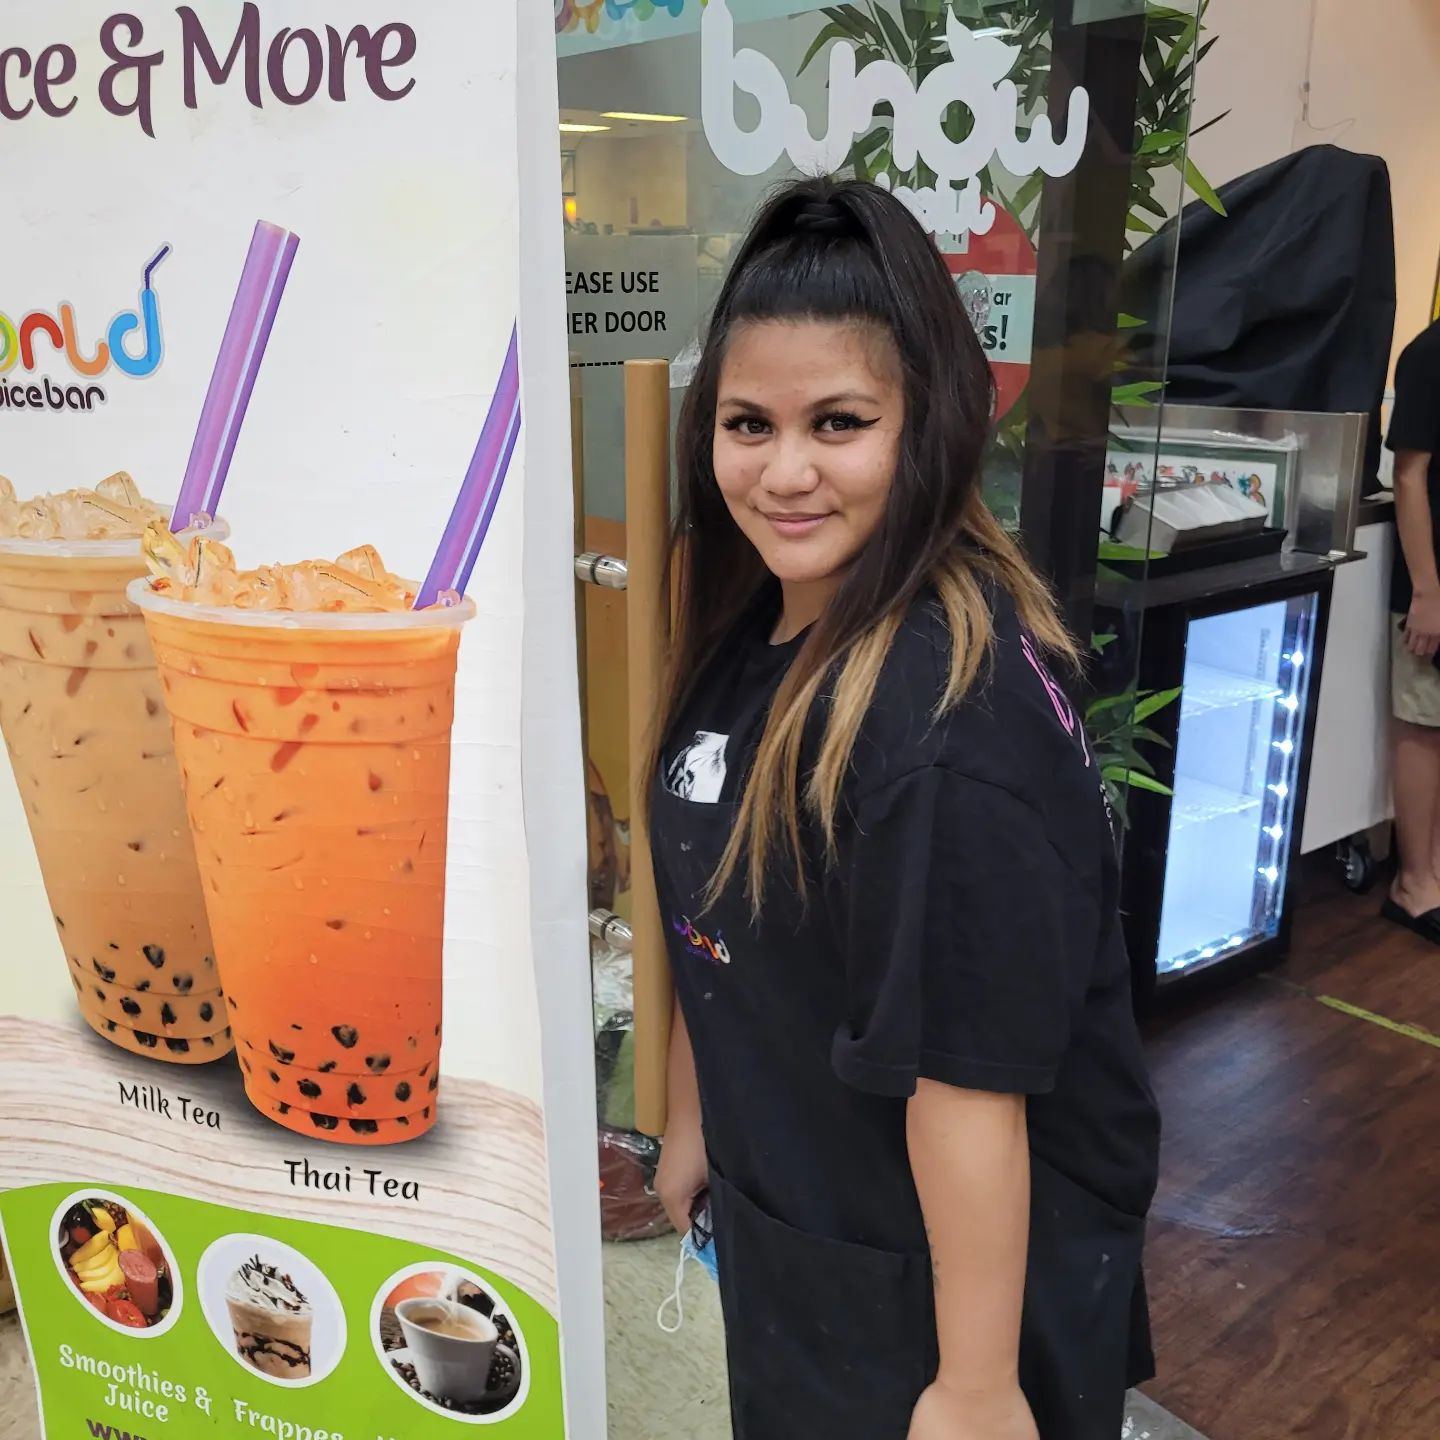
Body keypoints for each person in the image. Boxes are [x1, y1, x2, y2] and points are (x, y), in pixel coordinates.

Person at [650, 175, 1160, 1440]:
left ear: (925, 423)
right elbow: (714, 911)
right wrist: (692, 1118)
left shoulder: (943, 725)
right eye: (748, 424)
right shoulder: (755, 629)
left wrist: (976, 1387)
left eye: (839, 422)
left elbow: (966, 1089)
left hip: (947, 1303)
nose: (784, 472)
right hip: (808, 1225)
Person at [1383, 316, 1440, 943]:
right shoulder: (1431, 353)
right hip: (1433, 582)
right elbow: (1409, 474)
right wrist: (1426, 591)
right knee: (1423, 721)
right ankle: (1414, 883)